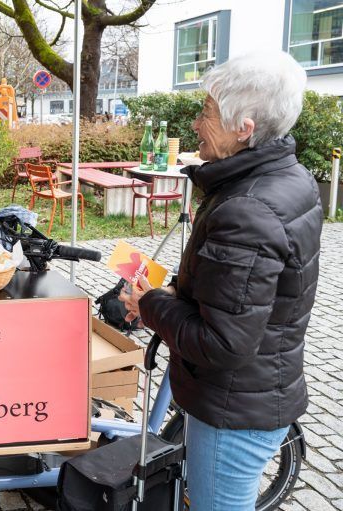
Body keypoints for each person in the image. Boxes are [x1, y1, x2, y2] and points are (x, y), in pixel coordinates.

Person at [120, 50, 322, 510]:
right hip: (255, 392)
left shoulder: (247, 208)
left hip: (232, 410)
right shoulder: (288, 179)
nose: (195, 124)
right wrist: (179, 292)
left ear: (243, 127)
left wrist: (151, 303)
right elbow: (249, 299)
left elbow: (223, 343)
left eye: (206, 112)